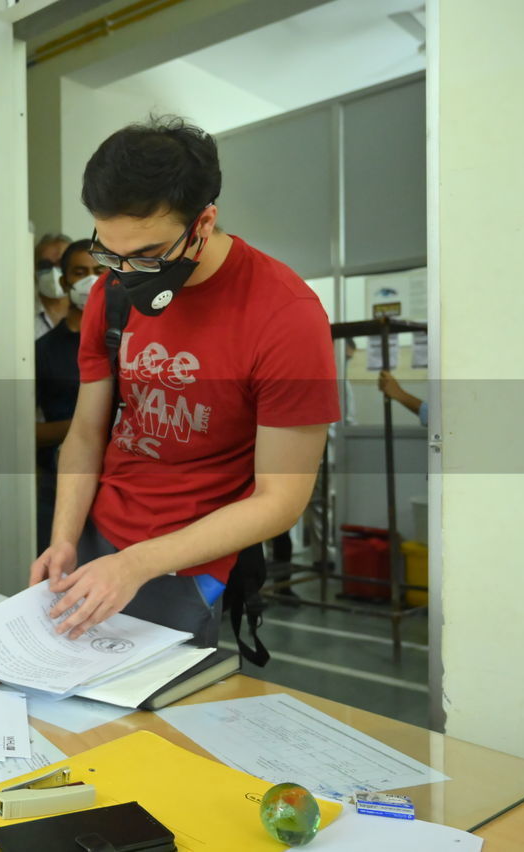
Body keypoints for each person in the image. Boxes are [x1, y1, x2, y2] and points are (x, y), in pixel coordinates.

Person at [30, 117, 339, 645]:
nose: (124, 272)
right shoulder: (112, 293)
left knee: (161, 715)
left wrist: (138, 564)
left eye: (148, 255)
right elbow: (85, 434)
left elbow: (280, 499)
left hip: (194, 562)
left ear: (203, 221)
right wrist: (63, 539)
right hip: (98, 535)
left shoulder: (284, 314)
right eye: (110, 251)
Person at [35, 239, 102, 552]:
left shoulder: (127, 339)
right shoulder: (44, 350)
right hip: (63, 480)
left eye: (99, 270)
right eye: (80, 272)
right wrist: (85, 425)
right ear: (65, 281)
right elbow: (25, 433)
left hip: (119, 481)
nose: (91, 280)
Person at [33, 232, 72, 339]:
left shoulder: (90, 312)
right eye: (45, 265)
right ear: (34, 268)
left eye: (61, 264)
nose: (54, 272)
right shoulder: (22, 313)